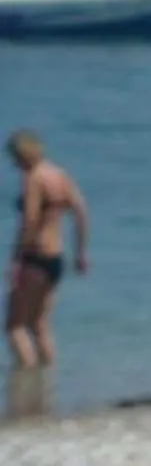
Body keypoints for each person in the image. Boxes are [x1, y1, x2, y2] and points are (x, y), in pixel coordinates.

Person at [9, 130, 88, 372]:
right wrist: (81, 253)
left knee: (15, 326)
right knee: (41, 326)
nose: (14, 164)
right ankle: (48, 382)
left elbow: (30, 221)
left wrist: (17, 259)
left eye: (14, 158)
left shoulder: (34, 178)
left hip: (35, 257)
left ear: (22, 155)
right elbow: (81, 212)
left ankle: (28, 382)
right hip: (56, 258)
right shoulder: (60, 175)